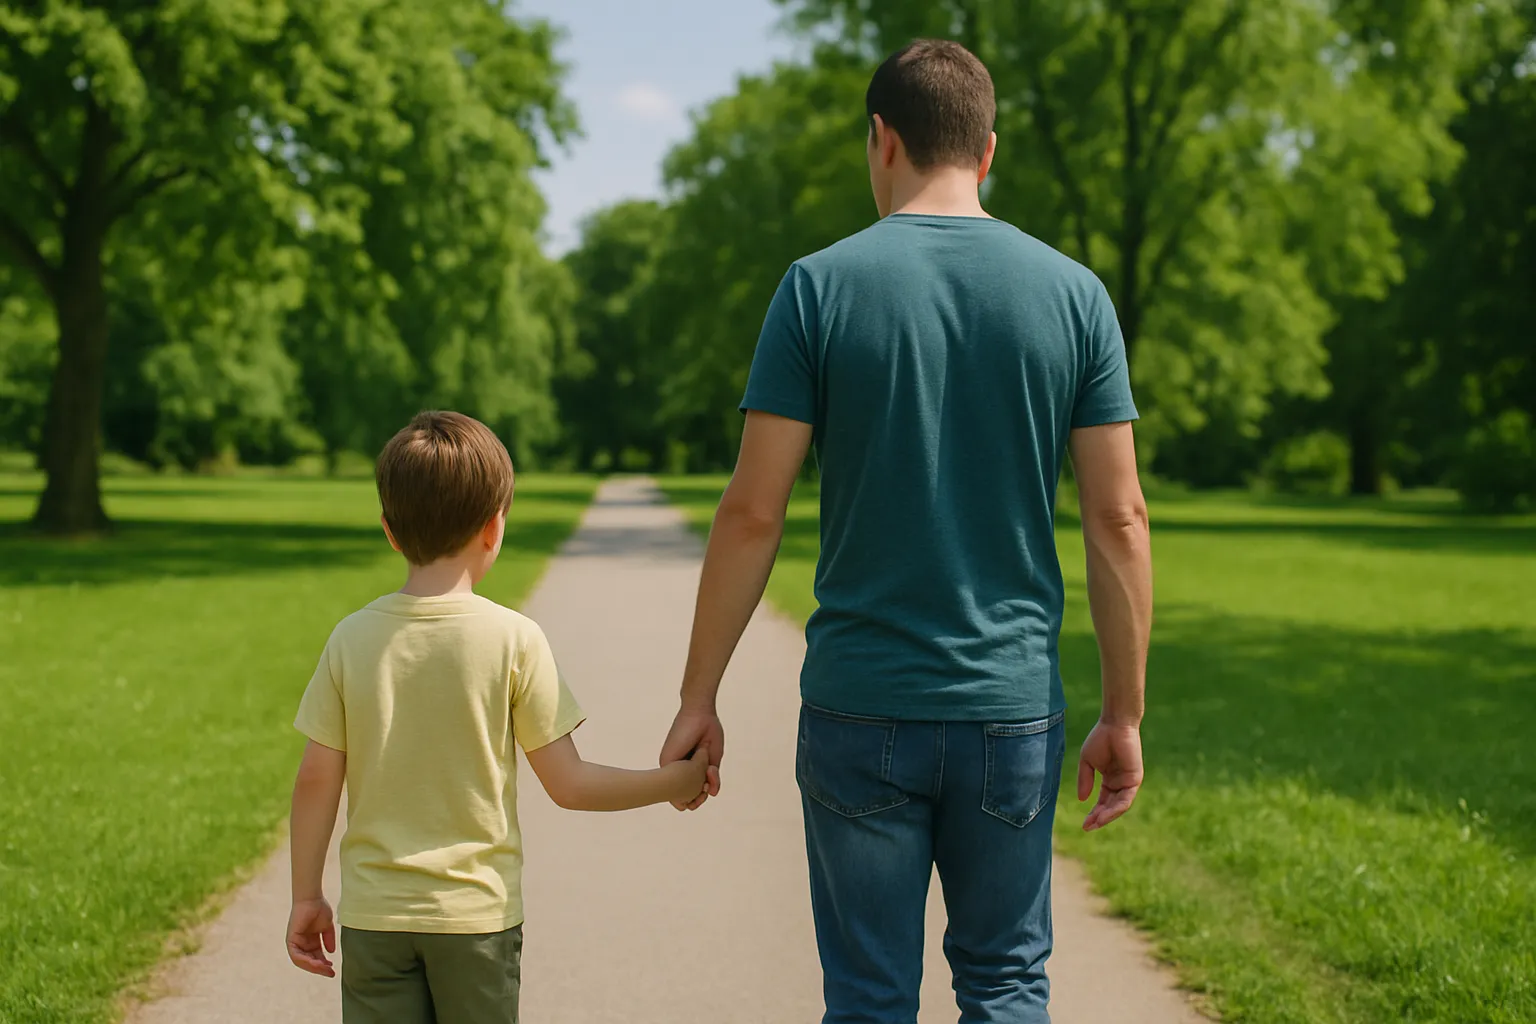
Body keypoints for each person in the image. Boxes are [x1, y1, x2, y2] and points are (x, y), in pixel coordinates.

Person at [659, 38, 1153, 1024]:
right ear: (989, 150)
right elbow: (1118, 517)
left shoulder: (817, 286)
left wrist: (698, 693)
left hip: (860, 709)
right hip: (1010, 711)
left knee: (871, 997)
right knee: (1007, 983)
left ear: (881, 140)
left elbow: (753, 510)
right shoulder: (1075, 297)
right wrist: (1124, 712)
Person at [285, 410, 710, 1023]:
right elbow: (570, 784)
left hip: (376, 917)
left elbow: (315, 779)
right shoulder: (514, 640)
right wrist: (673, 782)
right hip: (474, 921)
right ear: (493, 529)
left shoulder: (352, 640)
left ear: (389, 531)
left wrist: (306, 895)